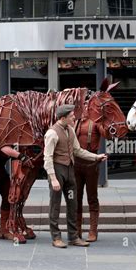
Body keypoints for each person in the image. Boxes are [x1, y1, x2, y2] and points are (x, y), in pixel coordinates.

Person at [44, 104, 108, 248]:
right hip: (57, 171)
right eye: (71, 115)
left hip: (69, 171)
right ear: (63, 117)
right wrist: (53, 178)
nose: (74, 117)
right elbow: (47, 158)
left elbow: (78, 151)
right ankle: (56, 238)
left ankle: (73, 237)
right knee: (55, 206)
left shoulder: (70, 130)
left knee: (73, 204)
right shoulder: (52, 133)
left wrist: (95, 157)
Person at [74, 117, 106, 242]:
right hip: (76, 163)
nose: (85, 107)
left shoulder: (96, 122)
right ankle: (77, 229)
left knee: (92, 197)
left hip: (92, 163)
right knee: (76, 198)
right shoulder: (74, 120)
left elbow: (106, 134)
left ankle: (93, 230)